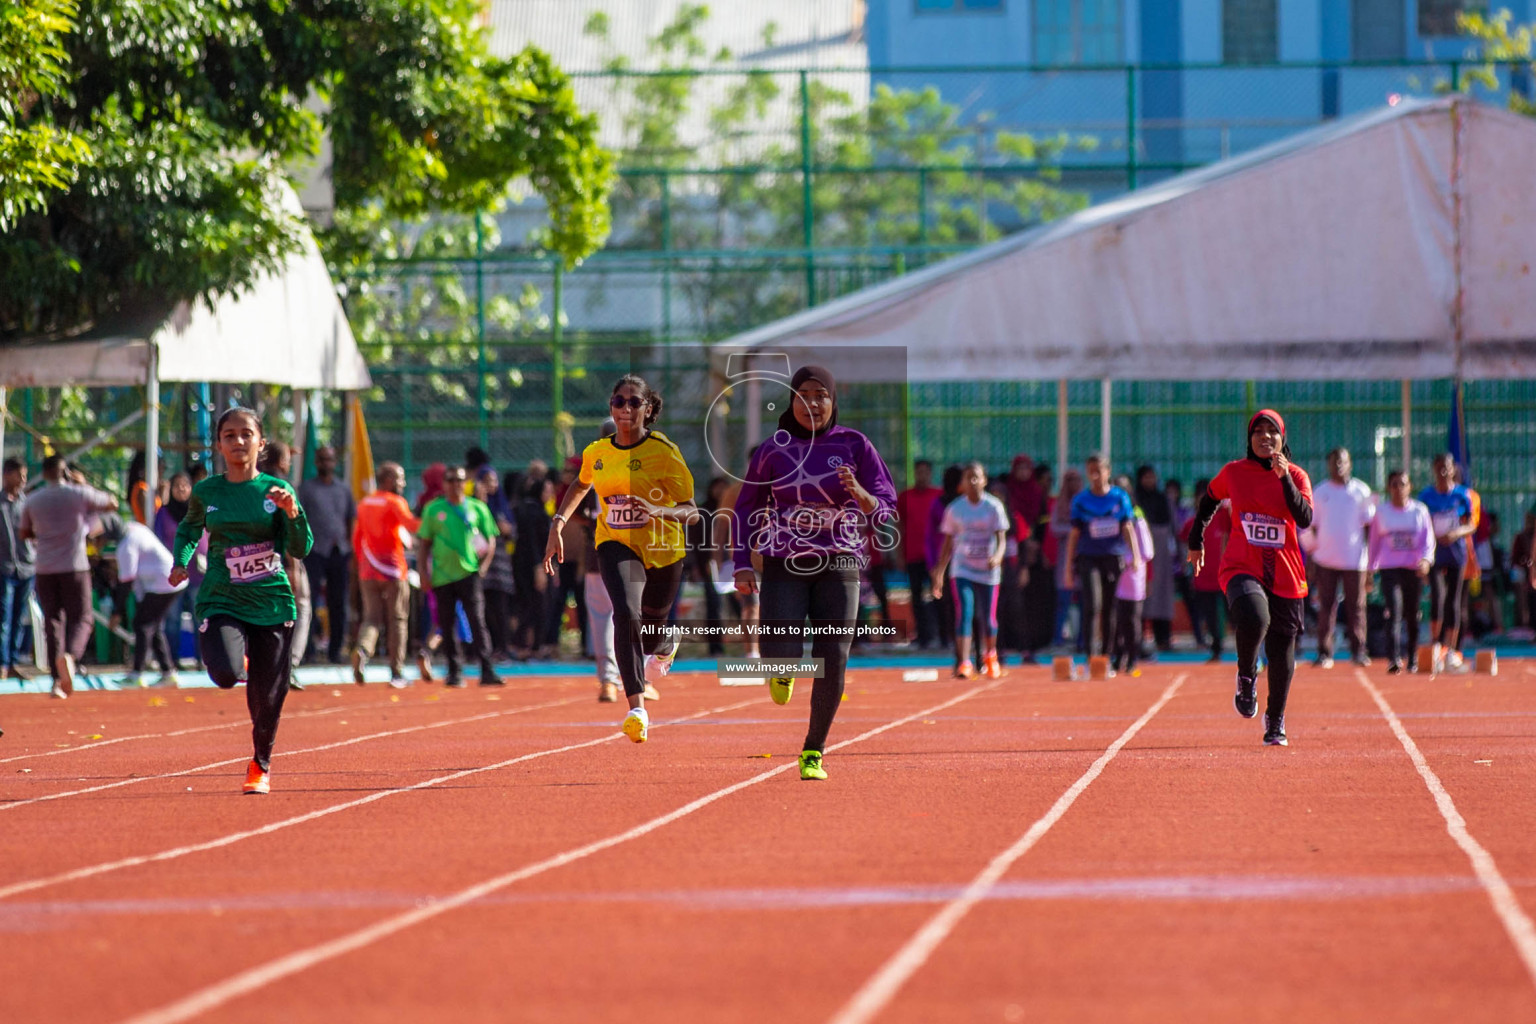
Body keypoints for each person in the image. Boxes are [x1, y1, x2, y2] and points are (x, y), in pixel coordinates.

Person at [731, 364, 897, 781]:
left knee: (833, 657)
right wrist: (740, 561)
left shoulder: (855, 444)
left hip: (841, 561)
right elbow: (745, 507)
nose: (813, 402)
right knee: (778, 650)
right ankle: (781, 670)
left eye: (821, 394)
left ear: (833, 400)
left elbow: (887, 504)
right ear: (791, 401)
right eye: (803, 394)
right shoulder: (774, 449)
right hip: (785, 561)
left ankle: (813, 751)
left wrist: (861, 495)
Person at [545, 374, 699, 743]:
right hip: (615, 542)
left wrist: (655, 510)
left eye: (634, 402)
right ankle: (637, 708)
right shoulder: (598, 452)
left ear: (648, 409)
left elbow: (691, 511)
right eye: (618, 401)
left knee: (652, 625)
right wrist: (559, 522)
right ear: (611, 407)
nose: (625, 409)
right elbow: (581, 483)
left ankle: (663, 643)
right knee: (626, 614)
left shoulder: (664, 451)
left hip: (663, 548)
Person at [169, 407, 313, 794]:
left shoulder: (277, 492)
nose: (238, 442)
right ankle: (240, 658)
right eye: (229, 435)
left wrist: (292, 512)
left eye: (246, 434)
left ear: (260, 442)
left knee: (268, 698)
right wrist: (180, 563)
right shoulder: (207, 491)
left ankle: (259, 764)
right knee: (225, 673)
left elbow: (300, 547)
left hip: (271, 601)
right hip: (222, 596)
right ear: (218, 444)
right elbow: (188, 529)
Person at [1187, 410, 1313, 747]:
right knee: (1255, 616)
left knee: (1282, 646)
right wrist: (1196, 539)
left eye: (1272, 432)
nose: (1264, 437)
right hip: (1242, 565)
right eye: (1258, 431)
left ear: (1282, 439)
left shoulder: (1298, 476)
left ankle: (1275, 720)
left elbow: (1304, 518)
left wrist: (1284, 477)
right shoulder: (1234, 472)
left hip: (1285, 573)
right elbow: (1209, 500)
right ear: (1249, 439)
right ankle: (1246, 674)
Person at [19, 454, 118, 697]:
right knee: (83, 618)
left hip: (44, 568)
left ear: (43, 474)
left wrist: (46, 534)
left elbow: (24, 532)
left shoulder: (32, 499)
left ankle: (55, 680)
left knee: (52, 621)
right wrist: (82, 485)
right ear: (65, 473)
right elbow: (112, 503)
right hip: (74, 566)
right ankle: (70, 657)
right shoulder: (78, 494)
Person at [417, 464, 502, 688]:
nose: (456, 485)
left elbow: (490, 539)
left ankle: (487, 669)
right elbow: (424, 544)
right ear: (444, 483)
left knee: (477, 621)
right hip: (442, 576)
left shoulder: (478, 508)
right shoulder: (433, 510)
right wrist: (424, 574)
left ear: (467, 483)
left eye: (460, 480)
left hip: (469, 573)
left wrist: (483, 566)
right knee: (446, 624)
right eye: (451, 480)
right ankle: (454, 672)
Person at [929, 461, 1009, 680]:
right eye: (968, 478)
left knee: (988, 618)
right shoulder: (955, 509)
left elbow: (1001, 539)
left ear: (984, 480)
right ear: (962, 483)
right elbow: (947, 543)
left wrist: (998, 556)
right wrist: (939, 573)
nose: (973, 481)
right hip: (962, 569)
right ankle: (964, 662)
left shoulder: (994, 507)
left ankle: (990, 657)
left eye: (977, 477)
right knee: (965, 612)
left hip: (988, 571)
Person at [1061, 454, 1139, 668]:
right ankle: (1090, 654)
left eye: (1099, 470)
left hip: (1113, 557)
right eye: (1091, 470)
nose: (1094, 475)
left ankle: (1106, 655)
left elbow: (1127, 527)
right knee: (1092, 604)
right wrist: (1068, 568)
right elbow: (1074, 535)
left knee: (1110, 607)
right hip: (1088, 558)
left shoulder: (1119, 497)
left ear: (1107, 471)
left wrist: (1136, 556)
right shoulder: (1080, 501)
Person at [1303, 447, 1376, 669]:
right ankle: (1325, 653)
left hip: (1355, 561)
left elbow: (1369, 528)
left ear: (1350, 463)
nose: (1338, 466)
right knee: (1326, 607)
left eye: (1342, 461)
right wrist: (1312, 557)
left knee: (1357, 607)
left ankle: (1359, 651)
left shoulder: (1361, 491)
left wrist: (1370, 561)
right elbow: (1309, 527)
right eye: (1334, 461)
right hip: (1325, 560)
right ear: (1328, 465)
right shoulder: (1320, 491)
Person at [352, 462, 422, 688]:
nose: (403, 483)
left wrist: (362, 564)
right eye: (400, 479)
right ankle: (396, 671)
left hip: (367, 570)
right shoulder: (395, 502)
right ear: (389, 479)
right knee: (398, 620)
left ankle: (362, 651)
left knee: (371, 618)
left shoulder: (364, 503)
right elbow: (412, 526)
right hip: (393, 570)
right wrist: (433, 518)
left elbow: (356, 537)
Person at [256, 443, 311, 689]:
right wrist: (292, 568)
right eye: (288, 457)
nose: (290, 463)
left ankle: (270, 664)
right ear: (281, 460)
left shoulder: (252, 481)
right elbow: (288, 527)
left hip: (251, 557)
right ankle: (290, 665)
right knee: (300, 607)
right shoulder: (283, 487)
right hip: (283, 557)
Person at [1369, 470, 1434, 675]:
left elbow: (1428, 539)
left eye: (1402, 484)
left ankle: (1413, 658)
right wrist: (1370, 570)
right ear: (1389, 488)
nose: (1399, 489)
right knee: (1394, 611)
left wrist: (1426, 560)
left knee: (1413, 614)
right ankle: (1393, 658)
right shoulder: (1381, 512)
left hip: (1413, 569)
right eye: (1394, 484)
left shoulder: (1419, 511)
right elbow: (1374, 543)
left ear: (1409, 487)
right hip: (1389, 569)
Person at [1418, 453, 1475, 672]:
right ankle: (1435, 645)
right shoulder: (1426, 496)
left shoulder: (1462, 495)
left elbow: (1471, 525)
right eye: (1439, 466)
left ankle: (1452, 649)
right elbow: (1421, 524)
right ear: (1434, 468)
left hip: (1456, 554)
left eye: (1447, 467)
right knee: (1437, 598)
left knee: (1454, 601)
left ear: (1453, 470)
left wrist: (1456, 533)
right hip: (1434, 554)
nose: (1443, 470)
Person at [298, 445, 356, 664]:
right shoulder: (306, 489)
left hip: (339, 551)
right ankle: (308, 650)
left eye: (329, 460)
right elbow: (299, 519)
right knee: (309, 601)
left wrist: (349, 546)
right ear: (316, 462)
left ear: (335, 462)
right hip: (314, 552)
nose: (326, 464)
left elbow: (351, 518)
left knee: (338, 603)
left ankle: (335, 650)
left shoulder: (344, 489)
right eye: (322, 460)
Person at [115, 518, 187, 686]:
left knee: (142, 624)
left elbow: (127, 581)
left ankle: (137, 674)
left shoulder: (127, 544)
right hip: (166, 580)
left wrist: (117, 612)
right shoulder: (134, 528)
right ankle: (167, 672)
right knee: (151, 626)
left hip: (165, 582)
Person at [1181, 478, 1230, 663]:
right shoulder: (1192, 522)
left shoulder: (1224, 515)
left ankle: (1246, 649)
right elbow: (1183, 541)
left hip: (1224, 574)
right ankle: (1216, 647)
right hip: (1202, 576)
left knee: (1232, 612)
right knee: (1209, 614)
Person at [897, 460, 943, 649]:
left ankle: (941, 635)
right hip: (912, 555)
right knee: (915, 597)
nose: (922, 476)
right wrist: (899, 555)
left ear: (930, 474)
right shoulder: (905, 497)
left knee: (938, 596)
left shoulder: (938, 495)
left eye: (925, 472)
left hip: (934, 558)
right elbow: (899, 527)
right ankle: (922, 636)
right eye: (919, 472)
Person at [1134, 466, 1176, 651]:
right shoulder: (1136, 499)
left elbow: (1174, 525)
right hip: (1141, 550)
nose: (1150, 481)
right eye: (1146, 477)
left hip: (1161, 553)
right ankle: (1138, 640)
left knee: (1162, 597)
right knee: (1141, 595)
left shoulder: (1162, 499)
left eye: (1152, 477)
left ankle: (1163, 638)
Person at [1111, 502, 1156, 676]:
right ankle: (1116, 658)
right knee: (1115, 619)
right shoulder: (1108, 514)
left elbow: (1147, 551)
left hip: (1133, 575)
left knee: (1131, 619)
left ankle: (1132, 659)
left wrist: (1128, 559)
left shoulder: (1137, 517)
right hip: (1113, 573)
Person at [0, 458, 34, 679]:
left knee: (19, 618)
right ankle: (2, 663)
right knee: (4, 617)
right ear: (7, 474)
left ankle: (12, 662)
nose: (23, 480)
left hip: (26, 568)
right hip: (4, 568)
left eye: (25, 475)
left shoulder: (27, 503)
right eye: (19, 475)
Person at [1050, 468, 1083, 647]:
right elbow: (1054, 528)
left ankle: (1083, 641)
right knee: (1063, 601)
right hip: (1065, 560)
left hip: (1084, 557)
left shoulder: (1085, 502)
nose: (1074, 485)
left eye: (1077, 480)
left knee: (1086, 602)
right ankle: (1058, 640)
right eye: (1070, 481)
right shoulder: (1059, 505)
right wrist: (1073, 531)